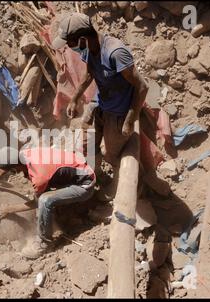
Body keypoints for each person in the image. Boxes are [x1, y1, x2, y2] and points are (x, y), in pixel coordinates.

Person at [51, 12, 148, 197]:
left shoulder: (115, 53)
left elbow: (142, 87)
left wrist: (130, 118)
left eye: (70, 43)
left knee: (112, 154)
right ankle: (96, 176)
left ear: (81, 39)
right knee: (88, 144)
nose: (69, 48)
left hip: (118, 112)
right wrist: (75, 98)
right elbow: (89, 74)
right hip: (99, 104)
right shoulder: (88, 48)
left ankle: (134, 186)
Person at [0, 146, 96, 259]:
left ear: (14, 170)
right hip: (77, 171)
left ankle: (44, 243)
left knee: (44, 200)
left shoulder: (39, 176)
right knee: (47, 193)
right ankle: (64, 207)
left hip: (85, 185)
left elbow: (36, 203)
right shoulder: (24, 154)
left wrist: (8, 209)